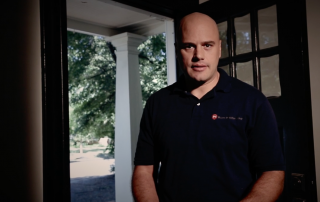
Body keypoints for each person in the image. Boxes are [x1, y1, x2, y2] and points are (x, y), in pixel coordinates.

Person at [132, 12, 285, 202]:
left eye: (207, 45)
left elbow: (273, 172)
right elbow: (144, 170)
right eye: (189, 46)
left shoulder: (253, 101)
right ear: (177, 49)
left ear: (219, 48)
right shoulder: (157, 103)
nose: (198, 55)